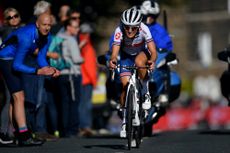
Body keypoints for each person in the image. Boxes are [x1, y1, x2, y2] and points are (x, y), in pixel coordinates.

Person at [0, 13, 60, 146]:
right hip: (5, 59)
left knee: (15, 98)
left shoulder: (47, 36)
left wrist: (50, 69)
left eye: (49, 25)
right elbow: (16, 65)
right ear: (37, 24)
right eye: (44, 25)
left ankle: (16, 133)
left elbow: (41, 59)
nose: (47, 28)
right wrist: (38, 71)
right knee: (19, 97)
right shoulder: (27, 36)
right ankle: (24, 135)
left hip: (14, 59)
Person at [109, 8, 157, 137]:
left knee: (139, 62)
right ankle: (125, 119)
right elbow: (115, 51)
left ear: (138, 26)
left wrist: (152, 61)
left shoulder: (144, 29)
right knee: (125, 86)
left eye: (133, 28)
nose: (129, 30)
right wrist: (113, 59)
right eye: (127, 27)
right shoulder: (119, 30)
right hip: (126, 57)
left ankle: (145, 91)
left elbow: (153, 51)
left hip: (142, 54)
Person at [52, 18, 83, 137]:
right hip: (71, 74)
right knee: (74, 103)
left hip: (59, 74)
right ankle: (72, 130)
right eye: (75, 27)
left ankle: (63, 129)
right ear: (68, 27)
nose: (77, 29)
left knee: (63, 103)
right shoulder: (71, 40)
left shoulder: (57, 37)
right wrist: (82, 59)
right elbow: (76, 59)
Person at [0, 7, 24, 145]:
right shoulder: (8, 31)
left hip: (14, 67)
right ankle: (3, 132)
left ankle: (11, 131)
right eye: (10, 17)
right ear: (6, 20)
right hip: (7, 67)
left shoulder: (17, 30)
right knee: (11, 98)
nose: (14, 19)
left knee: (13, 101)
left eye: (16, 16)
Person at [78, 23, 97, 137]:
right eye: (86, 33)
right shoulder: (86, 46)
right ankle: (85, 126)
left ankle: (83, 126)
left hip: (83, 79)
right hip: (86, 80)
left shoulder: (83, 45)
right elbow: (89, 67)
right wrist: (94, 80)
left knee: (82, 104)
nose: (87, 35)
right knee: (85, 105)